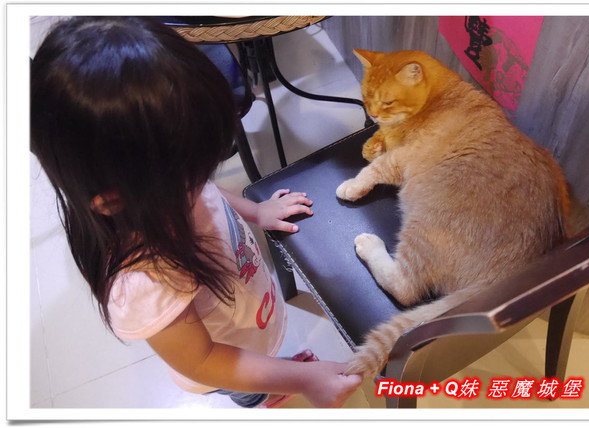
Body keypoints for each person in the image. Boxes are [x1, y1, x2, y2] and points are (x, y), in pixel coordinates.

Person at [30, 16, 362, 408]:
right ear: (113, 199)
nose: (201, 181)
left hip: (250, 319)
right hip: (225, 360)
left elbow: (209, 192)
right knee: (249, 387)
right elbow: (204, 361)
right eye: (190, 176)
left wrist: (257, 212)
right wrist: (302, 378)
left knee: (265, 358)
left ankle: (273, 373)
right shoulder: (144, 281)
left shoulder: (163, 185)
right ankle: (262, 395)